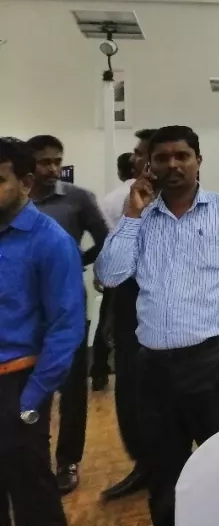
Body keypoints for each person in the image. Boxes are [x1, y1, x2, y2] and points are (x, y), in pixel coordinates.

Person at [96, 126, 219, 526]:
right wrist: (131, 216)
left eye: (182, 156)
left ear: (199, 161)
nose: (173, 165)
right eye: (162, 158)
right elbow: (109, 275)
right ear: (149, 165)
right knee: (164, 477)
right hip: (154, 369)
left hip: (218, 361)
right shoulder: (139, 219)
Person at [0, 137, 84, 526]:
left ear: (26, 183)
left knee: (32, 492)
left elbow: (65, 327)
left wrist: (33, 397)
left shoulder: (50, 241)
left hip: (19, 383)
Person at [26, 134, 109, 495]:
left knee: (73, 387)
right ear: (28, 164)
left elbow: (106, 239)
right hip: (23, 310)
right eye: (45, 162)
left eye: (57, 161)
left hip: (68, 306)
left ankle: (68, 461)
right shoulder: (14, 199)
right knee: (28, 386)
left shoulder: (77, 199)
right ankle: (32, 459)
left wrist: (78, 261)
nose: (53, 169)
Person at [98, 128, 156, 502]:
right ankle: (145, 464)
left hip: (168, 315)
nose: (134, 158)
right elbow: (112, 269)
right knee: (130, 388)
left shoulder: (190, 207)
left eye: (141, 152)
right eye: (135, 153)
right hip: (129, 303)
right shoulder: (125, 202)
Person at [92, 153, 135, 392]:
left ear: (119, 172)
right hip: (140, 274)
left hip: (116, 269)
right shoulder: (158, 197)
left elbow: (104, 239)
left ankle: (99, 372)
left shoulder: (109, 200)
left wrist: (100, 271)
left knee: (107, 320)